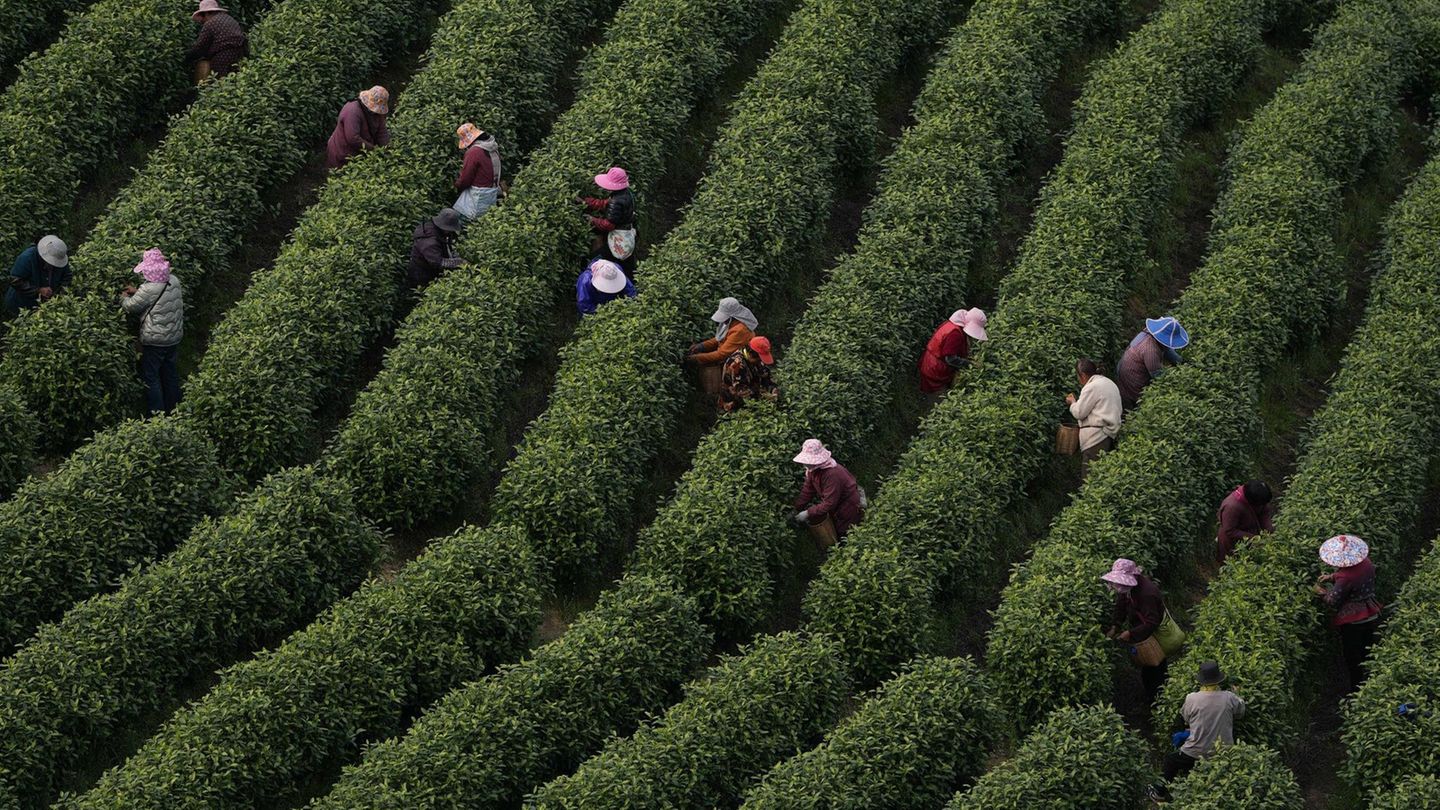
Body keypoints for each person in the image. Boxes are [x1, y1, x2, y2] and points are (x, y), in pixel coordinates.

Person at [1148, 661, 1247, 803]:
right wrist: (1238, 694)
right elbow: (1240, 713)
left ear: (1201, 680)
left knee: (1171, 761)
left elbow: (1186, 719)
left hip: (1195, 752)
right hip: (1224, 753)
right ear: (1219, 679)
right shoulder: (1229, 697)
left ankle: (1159, 793)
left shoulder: (1191, 698)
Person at [1313, 534, 1381, 692]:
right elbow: (1353, 575)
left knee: (1353, 658)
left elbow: (1333, 600)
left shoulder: (1345, 577)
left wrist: (1321, 592)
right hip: (1370, 613)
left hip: (1353, 622)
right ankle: (1374, 683)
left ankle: (1357, 691)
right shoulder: (1367, 563)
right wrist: (1332, 577)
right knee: (1368, 651)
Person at [120, 249, 184, 415]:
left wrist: (123, 297)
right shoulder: (174, 281)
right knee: (170, 373)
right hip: (174, 337)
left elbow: (130, 307)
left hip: (155, 340)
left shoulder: (148, 289)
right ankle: (175, 409)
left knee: (151, 376)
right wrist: (138, 292)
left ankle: (157, 414)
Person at [1102, 558, 1171, 703]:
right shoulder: (1128, 587)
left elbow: (1152, 622)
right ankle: (1154, 696)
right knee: (1148, 666)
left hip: (1152, 636)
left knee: (1154, 668)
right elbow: (1121, 605)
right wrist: (1116, 625)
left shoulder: (1147, 593)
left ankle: (1158, 700)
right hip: (1142, 634)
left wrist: (1130, 633)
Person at [790, 438, 864, 540]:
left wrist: (808, 513)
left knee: (846, 534)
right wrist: (796, 507)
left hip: (847, 506)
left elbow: (829, 503)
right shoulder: (813, 471)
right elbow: (808, 490)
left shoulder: (832, 474)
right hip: (837, 507)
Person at [1065, 358, 1121, 479]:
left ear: (1083, 375)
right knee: (1102, 472)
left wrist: (1072, 402)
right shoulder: (1107, 382)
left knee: (1090, 477)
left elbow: (1079, 412)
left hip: (1096, 437)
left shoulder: (1092, 387)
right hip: (1109, 433)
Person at [1117, 316, 1188, 411]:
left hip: (1127, 367)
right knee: (1138, 404)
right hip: (1132, 378)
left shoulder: (1152, 334)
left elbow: (1168, 350)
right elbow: (1158, 375)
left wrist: (1181, 362)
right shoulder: (1150, 350)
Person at [918, 307, 988, 392]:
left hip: (932, 364)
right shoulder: (955, 334)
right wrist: (970, 364)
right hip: (935, 369)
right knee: (940, 397)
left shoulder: (954, 326)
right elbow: (950, 359)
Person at [581, 166, 637, 267]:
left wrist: (592, 220)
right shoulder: (625, 193)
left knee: (596, 257)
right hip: (627, 229)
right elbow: (605, 204)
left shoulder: (616, 201)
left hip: (619, 235)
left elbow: (608, 225)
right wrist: (586, 202)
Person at [326, 86, 391, 170]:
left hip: (360, 151)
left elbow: (382, 131)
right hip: (342, 152)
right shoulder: (352, 111)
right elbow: (353, 138)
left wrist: (386, 149)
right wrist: (374, 150)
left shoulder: (377, 113)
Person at [5, 235, 70, 315]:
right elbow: (15, 280)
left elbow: (67, 276)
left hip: (44, 306)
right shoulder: (28, 257)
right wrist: (38, 290)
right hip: (22, 304)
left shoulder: (59, 256)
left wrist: (58, 294)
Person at [453, 123, 504, 224]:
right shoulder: (492, 147)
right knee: (483, 223)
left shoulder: (474, 152)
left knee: (459, 220)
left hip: (478, 196)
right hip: (492, 192)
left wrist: (455, 185)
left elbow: (465, 180)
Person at [185, 0, 248, 81]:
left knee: (220, 82)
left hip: (223, 56)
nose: (202, 21)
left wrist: (188, 57)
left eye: (202, 17)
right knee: (235, 80)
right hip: (240, 53)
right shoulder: (230, 18)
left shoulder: (209, 24)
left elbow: (200, 47)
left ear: (206, 13)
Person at [1215, 480, 1275, 563]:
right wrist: (1254, 538)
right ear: (1252, 501)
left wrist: (1268, 530)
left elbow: (1264, 511)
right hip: (1233, 542)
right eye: (1261, 504)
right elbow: (1230, 531)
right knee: (1233, 565)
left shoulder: (1257, 496)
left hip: (1251, 532)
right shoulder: (1232, 507)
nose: (1263, 505)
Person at [685, 297, 756, 366]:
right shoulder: (731, 322)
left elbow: (722, 354)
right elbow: (721, 337)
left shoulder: (740, 330)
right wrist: (702, 346)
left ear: (734, 316)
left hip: (738, 363)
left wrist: (696, 358)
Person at [718, 336, 777, 412]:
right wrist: (764, 396)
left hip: (755, 403)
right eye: (759, 359)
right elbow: (741, 393)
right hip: (733, 407)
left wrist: (773, 389)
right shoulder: (736, 364)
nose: (760, 361)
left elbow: (766, 377)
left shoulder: (758, 363)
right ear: (751, 354)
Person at [406, 208, 463, 288]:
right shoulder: (429, 241)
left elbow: (448, 246)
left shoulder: (439, 230)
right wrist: (459, 262)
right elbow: (438, 262)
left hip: (430, 268)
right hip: (421, 274)